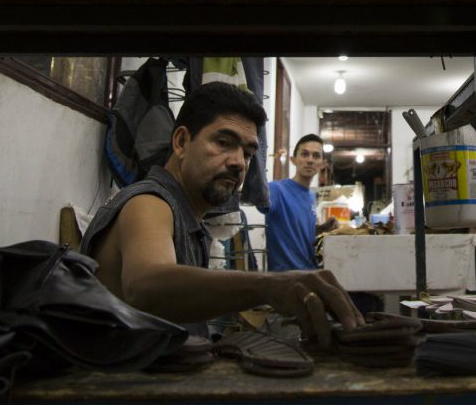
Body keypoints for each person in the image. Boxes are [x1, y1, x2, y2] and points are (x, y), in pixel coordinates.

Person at [80, 82, 361, 346]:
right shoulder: (149, 202)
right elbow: (146, 286)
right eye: (224, 143)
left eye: (248, 153)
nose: (238, 162)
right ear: (181, 142)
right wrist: (270, 286)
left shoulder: (189, 217)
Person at [259, 134, 337, 271]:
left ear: (323, 164)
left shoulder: (311, 195)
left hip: (310, 274)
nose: (310, 160)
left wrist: (323, 228)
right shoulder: (276, 190)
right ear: (293, 160)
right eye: (305, 154)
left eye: (316, 156)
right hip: (285, 280)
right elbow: (255, 199)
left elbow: (298, 231)